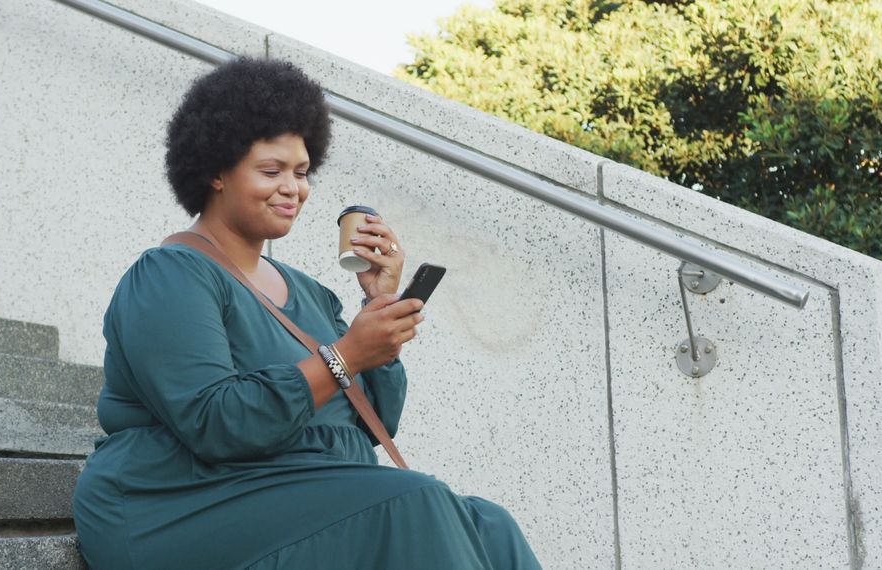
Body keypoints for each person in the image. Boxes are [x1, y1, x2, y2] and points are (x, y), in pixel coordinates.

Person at [72, 56, 543, 569]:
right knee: (416, 501)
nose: (292, 188)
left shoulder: (311, 294)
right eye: (270, 171)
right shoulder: (170, 275)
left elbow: (371, 425)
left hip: (304, 492)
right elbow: (215, 422)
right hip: (178, 503)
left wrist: (378, 307)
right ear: (215, 172)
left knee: (490, 523)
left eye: (300, 172)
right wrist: (346, 355)